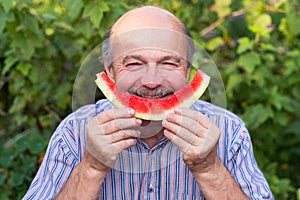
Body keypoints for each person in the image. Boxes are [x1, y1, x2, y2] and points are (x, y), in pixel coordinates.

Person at [23, 6, 273, 200]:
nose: (152, 81)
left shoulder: (229, 130)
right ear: (110, 72)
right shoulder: (74, 133)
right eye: (133, 63)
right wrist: (91, 167)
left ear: (187, 70)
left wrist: (209, 169)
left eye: (169, 63)